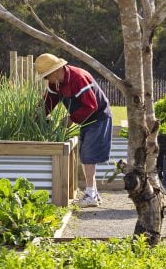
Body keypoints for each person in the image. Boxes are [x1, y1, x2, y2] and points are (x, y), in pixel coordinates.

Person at [34, 53, 112, 207]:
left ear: (55, 71)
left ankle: (90, 194)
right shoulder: (55, 84)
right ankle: (93, 193)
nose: (46, 80)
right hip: (85, 119)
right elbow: (47, 103)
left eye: (46, 76)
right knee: (85, 155)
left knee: (88, 155)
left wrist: (70, 119)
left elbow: (91, 105)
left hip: (98, 117)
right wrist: (35, 117)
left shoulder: (78, 78)